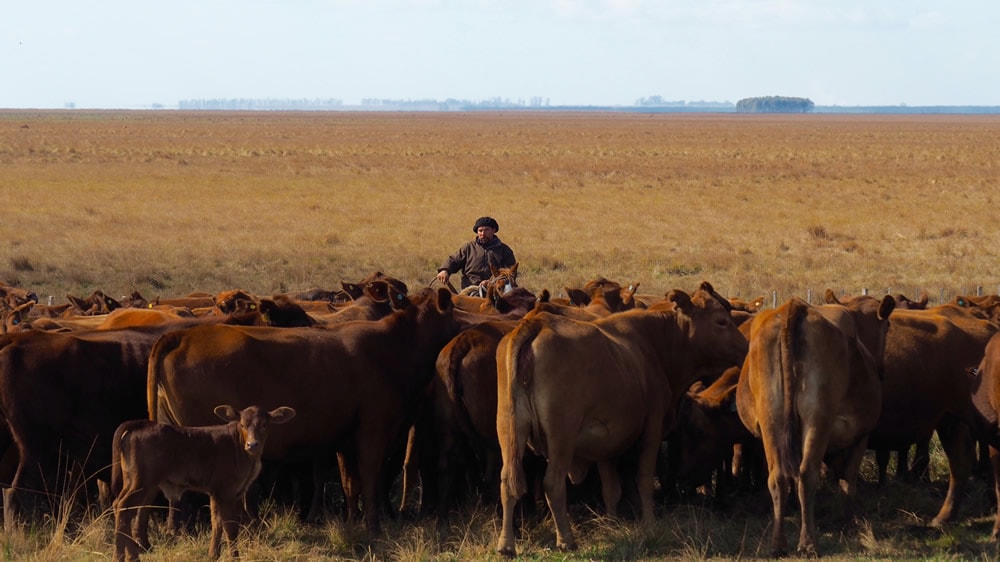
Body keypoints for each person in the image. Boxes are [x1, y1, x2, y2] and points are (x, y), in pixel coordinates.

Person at [436, 216, 517, 290]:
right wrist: (445, 270)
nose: (483, 234)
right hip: (470, 289)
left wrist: (490, 282)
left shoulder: (504, 250)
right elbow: (454, 260)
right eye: (480, 231)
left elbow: (510, 273)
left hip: (496, 290)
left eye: (486, 230)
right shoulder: (469, 247)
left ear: (494, 230)